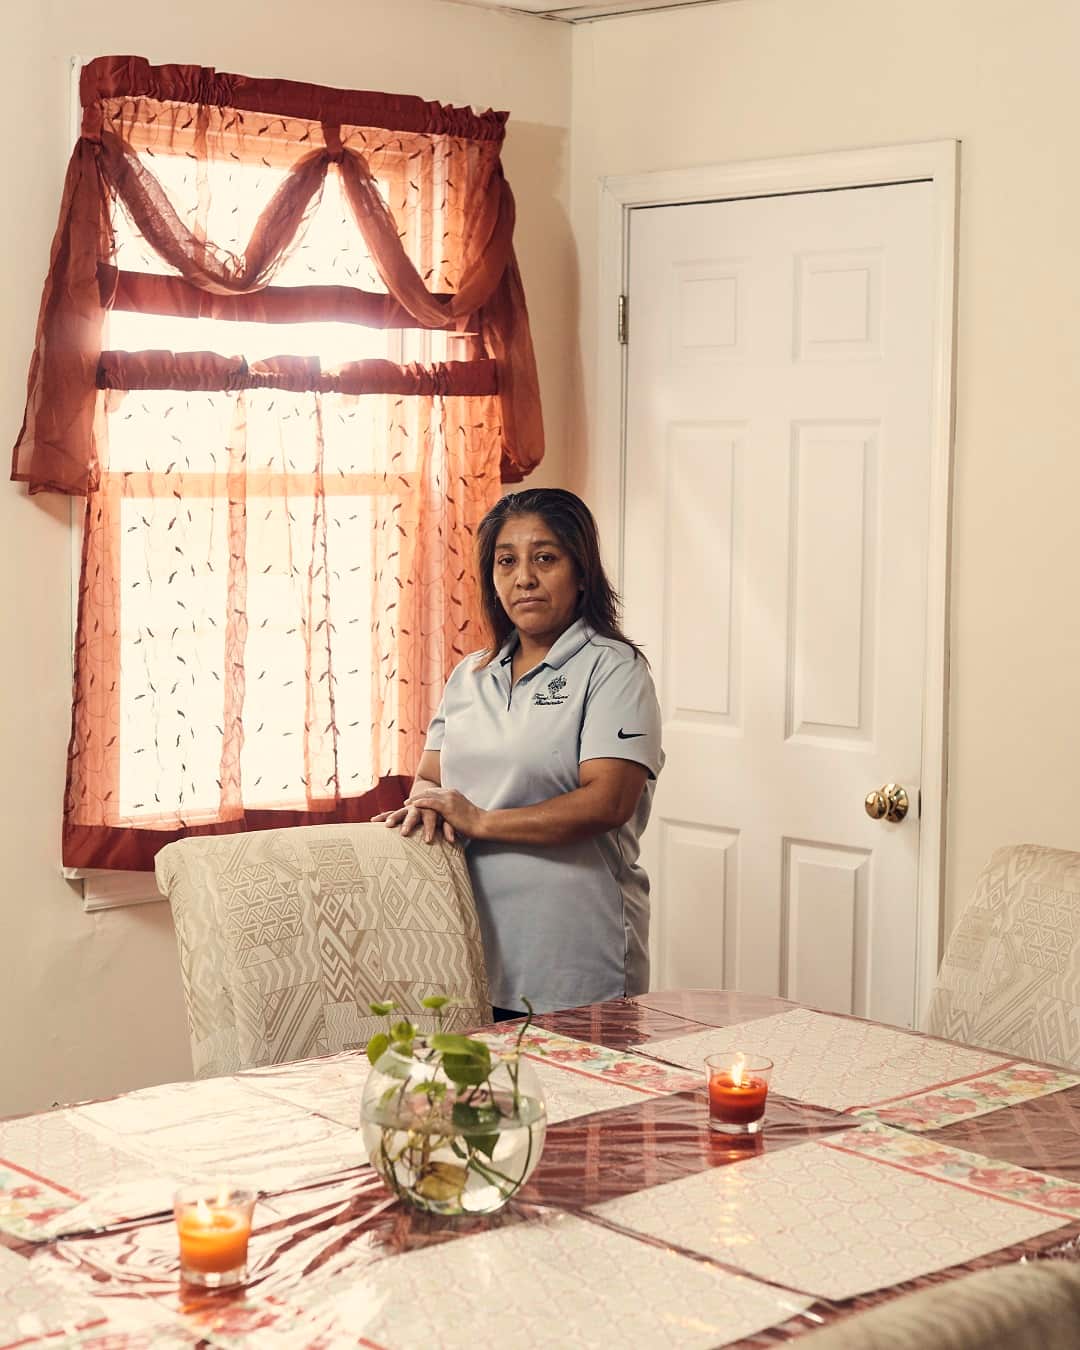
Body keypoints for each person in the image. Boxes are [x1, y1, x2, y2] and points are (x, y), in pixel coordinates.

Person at [373, 488, 662, 1017]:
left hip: (573, 957)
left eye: (545, 558)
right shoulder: (470, 675)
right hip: (468, 952)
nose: (523, 578)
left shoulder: (615, 669)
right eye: (506, 562)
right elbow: (430, 778)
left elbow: (607, 802)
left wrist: (481, 821)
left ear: (581, 573)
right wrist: (425, 806)